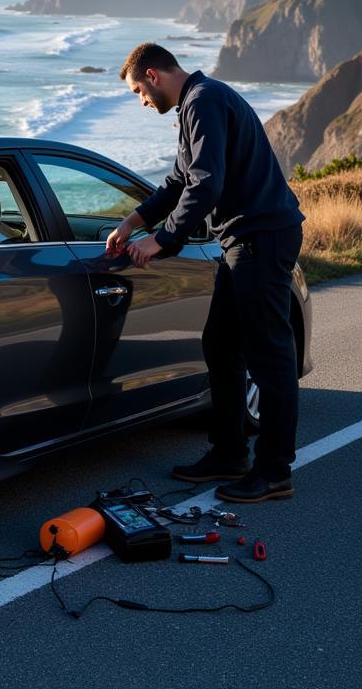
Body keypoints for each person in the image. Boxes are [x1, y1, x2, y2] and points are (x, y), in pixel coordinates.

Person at [105, 42, 305, 503]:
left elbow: (205, 183)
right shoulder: (196, 103)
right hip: (245, 238)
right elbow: (179, 179)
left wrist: (164, 239)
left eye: (138, 91)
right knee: (221, 344)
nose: (141, 101)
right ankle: (229, 453)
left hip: (261, 237)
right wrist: (134, 222)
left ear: (153, 75)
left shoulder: (204, 102)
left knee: (271, 358)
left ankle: (274, 471)